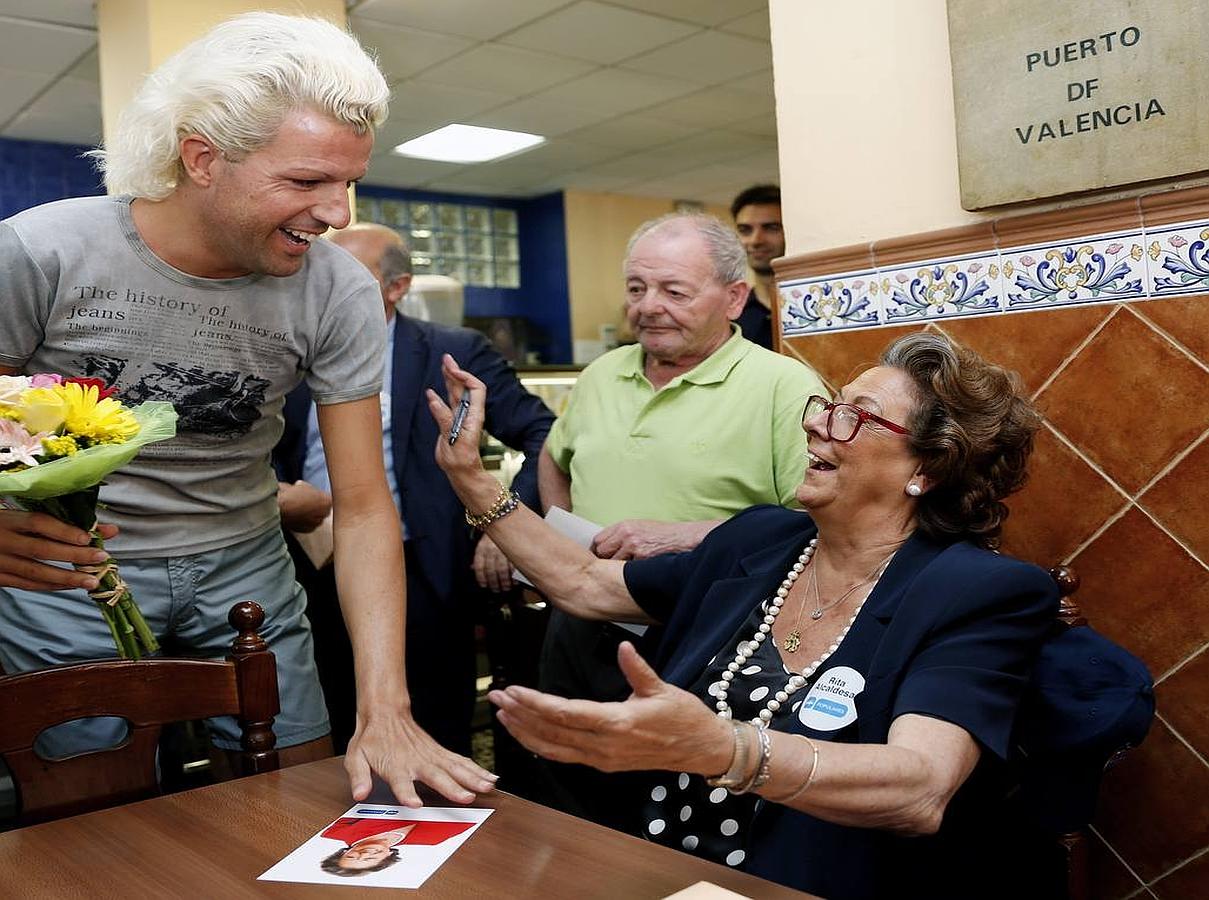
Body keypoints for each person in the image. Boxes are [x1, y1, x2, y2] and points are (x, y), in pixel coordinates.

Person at [0, 13, 494, 807]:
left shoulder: (338, 291)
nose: (336, 213)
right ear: (203, 158)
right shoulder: (41, 253)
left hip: (244, 564)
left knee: (295, 793)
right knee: (90, 812)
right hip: (71, 571)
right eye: (305, 182)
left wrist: (385, 708)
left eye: (347, 183)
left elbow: (364, 505)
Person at [427, 332, 1058, 899]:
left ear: (927, 467)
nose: (816, 424)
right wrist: (472, 480)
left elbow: (919, 788)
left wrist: (723, 748)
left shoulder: (979, 592)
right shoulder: (760, 541)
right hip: (657, 864)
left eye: (854, 417)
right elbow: (585, 583)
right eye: (828, 406)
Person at [534, 212, 825, 827]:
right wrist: (563, 534)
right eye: (637, 288)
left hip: (704, 633)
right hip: (580, 621)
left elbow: (819, 522)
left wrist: (686, 537)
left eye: (674, 291)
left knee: (665, 806)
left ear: (734, 298)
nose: (649, 306)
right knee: (570, 793)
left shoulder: (783, 385)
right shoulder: (602, 374)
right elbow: (554, 458)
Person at [274, 223, 554, 754]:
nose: (327, 285)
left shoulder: (452, 351)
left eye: (349, 275)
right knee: (325, 716)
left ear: (397, 287)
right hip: (308, 566)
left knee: (433, 725)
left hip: (422, 571)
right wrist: (279, 496)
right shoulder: (290, 348)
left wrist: (506, 523)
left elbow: (544, 434)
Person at [729, 185, 785, 350]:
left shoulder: (814, 307)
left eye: (771, 228)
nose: (756, 240)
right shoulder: (732, 314)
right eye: (745, 230)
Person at [318, 818, 475, 877]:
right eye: (369, 859)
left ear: (344, 852)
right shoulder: (433, 839)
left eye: (352, 857)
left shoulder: (336, 832)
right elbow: (469, 817)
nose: (364, 854)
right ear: (386, 858)